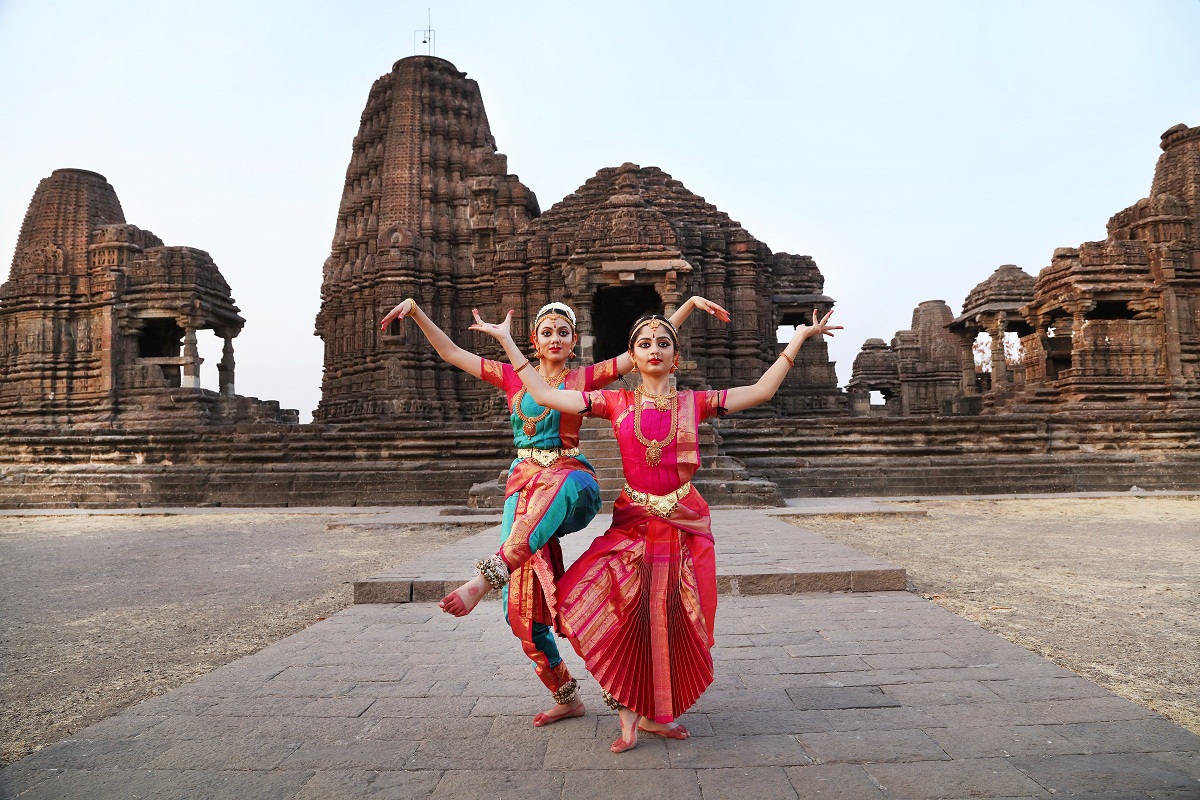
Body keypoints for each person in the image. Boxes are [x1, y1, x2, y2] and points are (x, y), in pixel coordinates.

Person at [469, 305, 841, 752]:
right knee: (614, 611)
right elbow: (547, 398)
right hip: (634, 524)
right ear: (632, 356)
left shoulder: (695, 403)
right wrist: (509, 345)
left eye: (664, 343)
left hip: (682, 527)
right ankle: (626, 714)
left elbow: (760, 391)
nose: (654, 349)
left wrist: (799, 338)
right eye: (644, 343)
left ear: (676, 357)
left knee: (671, 618)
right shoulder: (615, 400)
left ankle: (653, 717)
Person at [379, 296, 728, 727]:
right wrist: (416, 312)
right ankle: (565, 693)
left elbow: (645, 350)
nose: (556, 338)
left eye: (564, 332)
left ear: (574, 341)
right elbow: (452, 353)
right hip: (524, 491)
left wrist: (687, 307)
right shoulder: (513, 377)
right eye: (548, 332)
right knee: (521, 610)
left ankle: (487, 574)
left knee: (556, 485)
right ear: (534, 341)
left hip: (571, 481)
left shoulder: (585, 377)